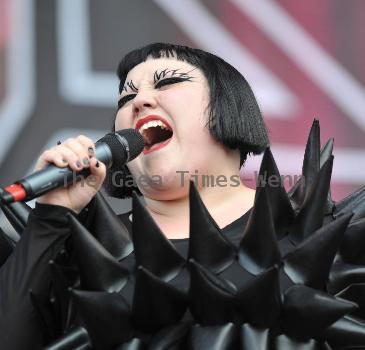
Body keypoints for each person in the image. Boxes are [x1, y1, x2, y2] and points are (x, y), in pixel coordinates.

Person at [1, 43, 364, 349]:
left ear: (229, 107)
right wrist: (50, 218)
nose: (139, 102)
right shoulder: (76, 255)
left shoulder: (326, 236)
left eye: (168, 82)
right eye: (126, 96)